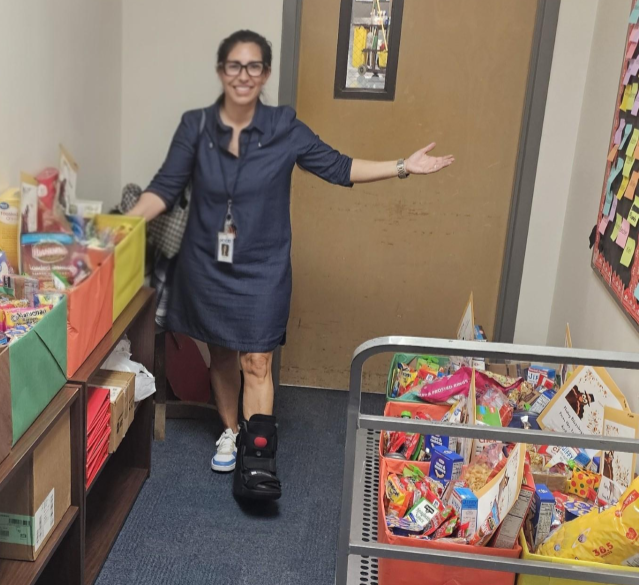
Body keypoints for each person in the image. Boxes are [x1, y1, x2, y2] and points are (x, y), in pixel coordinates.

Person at [127, 30, 453, 501]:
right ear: (222, 72)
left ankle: (259, 456)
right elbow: (164, 185)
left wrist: (404, 165)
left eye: (254, 66)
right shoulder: (195, 126)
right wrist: (120, 225)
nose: (244, 75)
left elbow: (341, 167)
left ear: (265, 74)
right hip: (210, 264)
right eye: (234, 66)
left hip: (263, 267)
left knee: (257, 359)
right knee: (221, 353)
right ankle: (231, 430)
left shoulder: (286, 129)